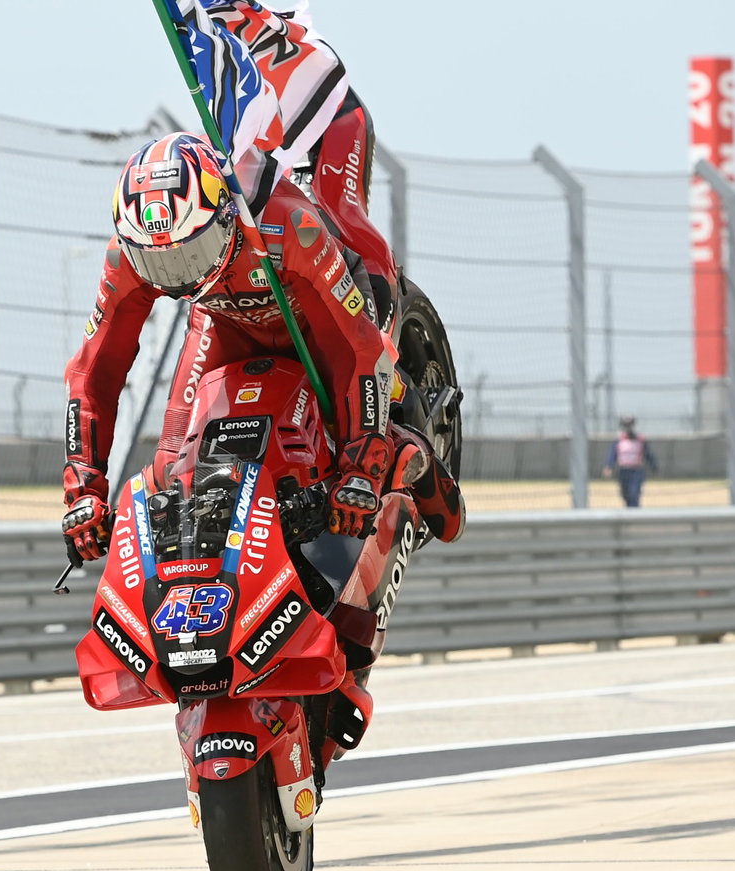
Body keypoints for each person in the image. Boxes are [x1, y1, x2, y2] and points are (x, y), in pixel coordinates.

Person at [60, 133, 463, 561]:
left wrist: (361, 467)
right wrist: (84, 489)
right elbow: (92, 373)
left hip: (322, 314)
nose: (176, 275)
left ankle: (417, 462)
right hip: (225, 320)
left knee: (352, 438)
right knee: (170, 470)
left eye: (190, 253)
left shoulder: (289, 227)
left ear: (225, 216)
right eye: (158, 263)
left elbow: (357, 349)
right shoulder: (127, 256)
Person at [181, 1, 401, 312]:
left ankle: (385, 308)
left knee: (336, 206)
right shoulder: (197, 30)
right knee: (277, 219)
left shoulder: (213, 16)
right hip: (272, 136)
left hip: (332, 116)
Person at [601, 415, 658, 508]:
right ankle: (629, 511)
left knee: (634, 493)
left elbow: (648, 454)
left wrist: (654, 466)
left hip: (636, 471)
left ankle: (634, 514)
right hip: (623, 471)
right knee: (625, 494)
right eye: (626, 425)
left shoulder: (640, 440)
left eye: (630, 425)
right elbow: (613, 454)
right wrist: (608, 466)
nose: (628, 427)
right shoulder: (619, 440)